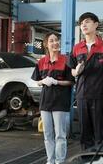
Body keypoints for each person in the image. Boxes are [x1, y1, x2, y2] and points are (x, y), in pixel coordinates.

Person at [68, 12, 103, 150]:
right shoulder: (77, 47)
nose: (83, 24)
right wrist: (76, 71)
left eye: (87, 21)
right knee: (85, 134)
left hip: (99, 95)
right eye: (81, 23)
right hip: (82, 95)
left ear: (96, 24)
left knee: (100, 134)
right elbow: (71, 70)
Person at [31, 33, 74, 164]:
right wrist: (43, 81)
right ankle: (50, 161)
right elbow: (37, 81)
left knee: (60, 135)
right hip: (45, 103)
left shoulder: (66, 61)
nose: (55, 43)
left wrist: (56, 82)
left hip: (60, 102)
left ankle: (60, 161)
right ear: (46, 44)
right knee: (47, 135)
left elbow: (70, 81)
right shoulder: (41, 62)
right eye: (52, 41)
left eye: (56, 40)